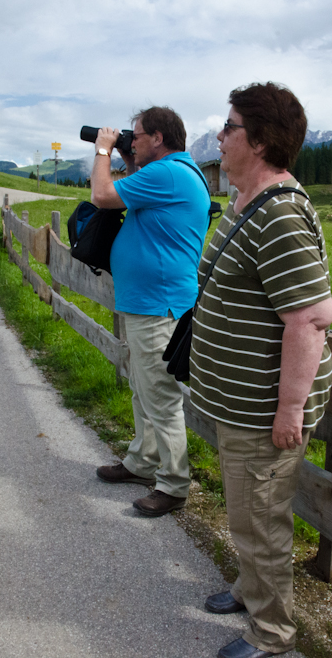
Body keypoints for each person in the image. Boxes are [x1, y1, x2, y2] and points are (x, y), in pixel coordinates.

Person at [190, 83, 332, 658]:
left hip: (263, 410)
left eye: (229, 128)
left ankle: (271, 635)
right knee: (246, 511)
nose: (220, 137)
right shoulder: (245, 202)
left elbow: (310, 318)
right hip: (239, 402)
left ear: (261, 141)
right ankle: (251, 591)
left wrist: (289, 410)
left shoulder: (278, 216)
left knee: (261, 520)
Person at [90, 106, 211, 517]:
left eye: (137, 135)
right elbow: (135, 195)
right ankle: (142, 463)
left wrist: (104, 151)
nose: (132, 139)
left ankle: (174, 484)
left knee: (159, 396)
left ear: (158, 138)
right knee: (143, 390)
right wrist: (129, 159)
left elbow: (103, 196)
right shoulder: (169, 173)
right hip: (149, 302)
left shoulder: (169, 173)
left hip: (157, 306)